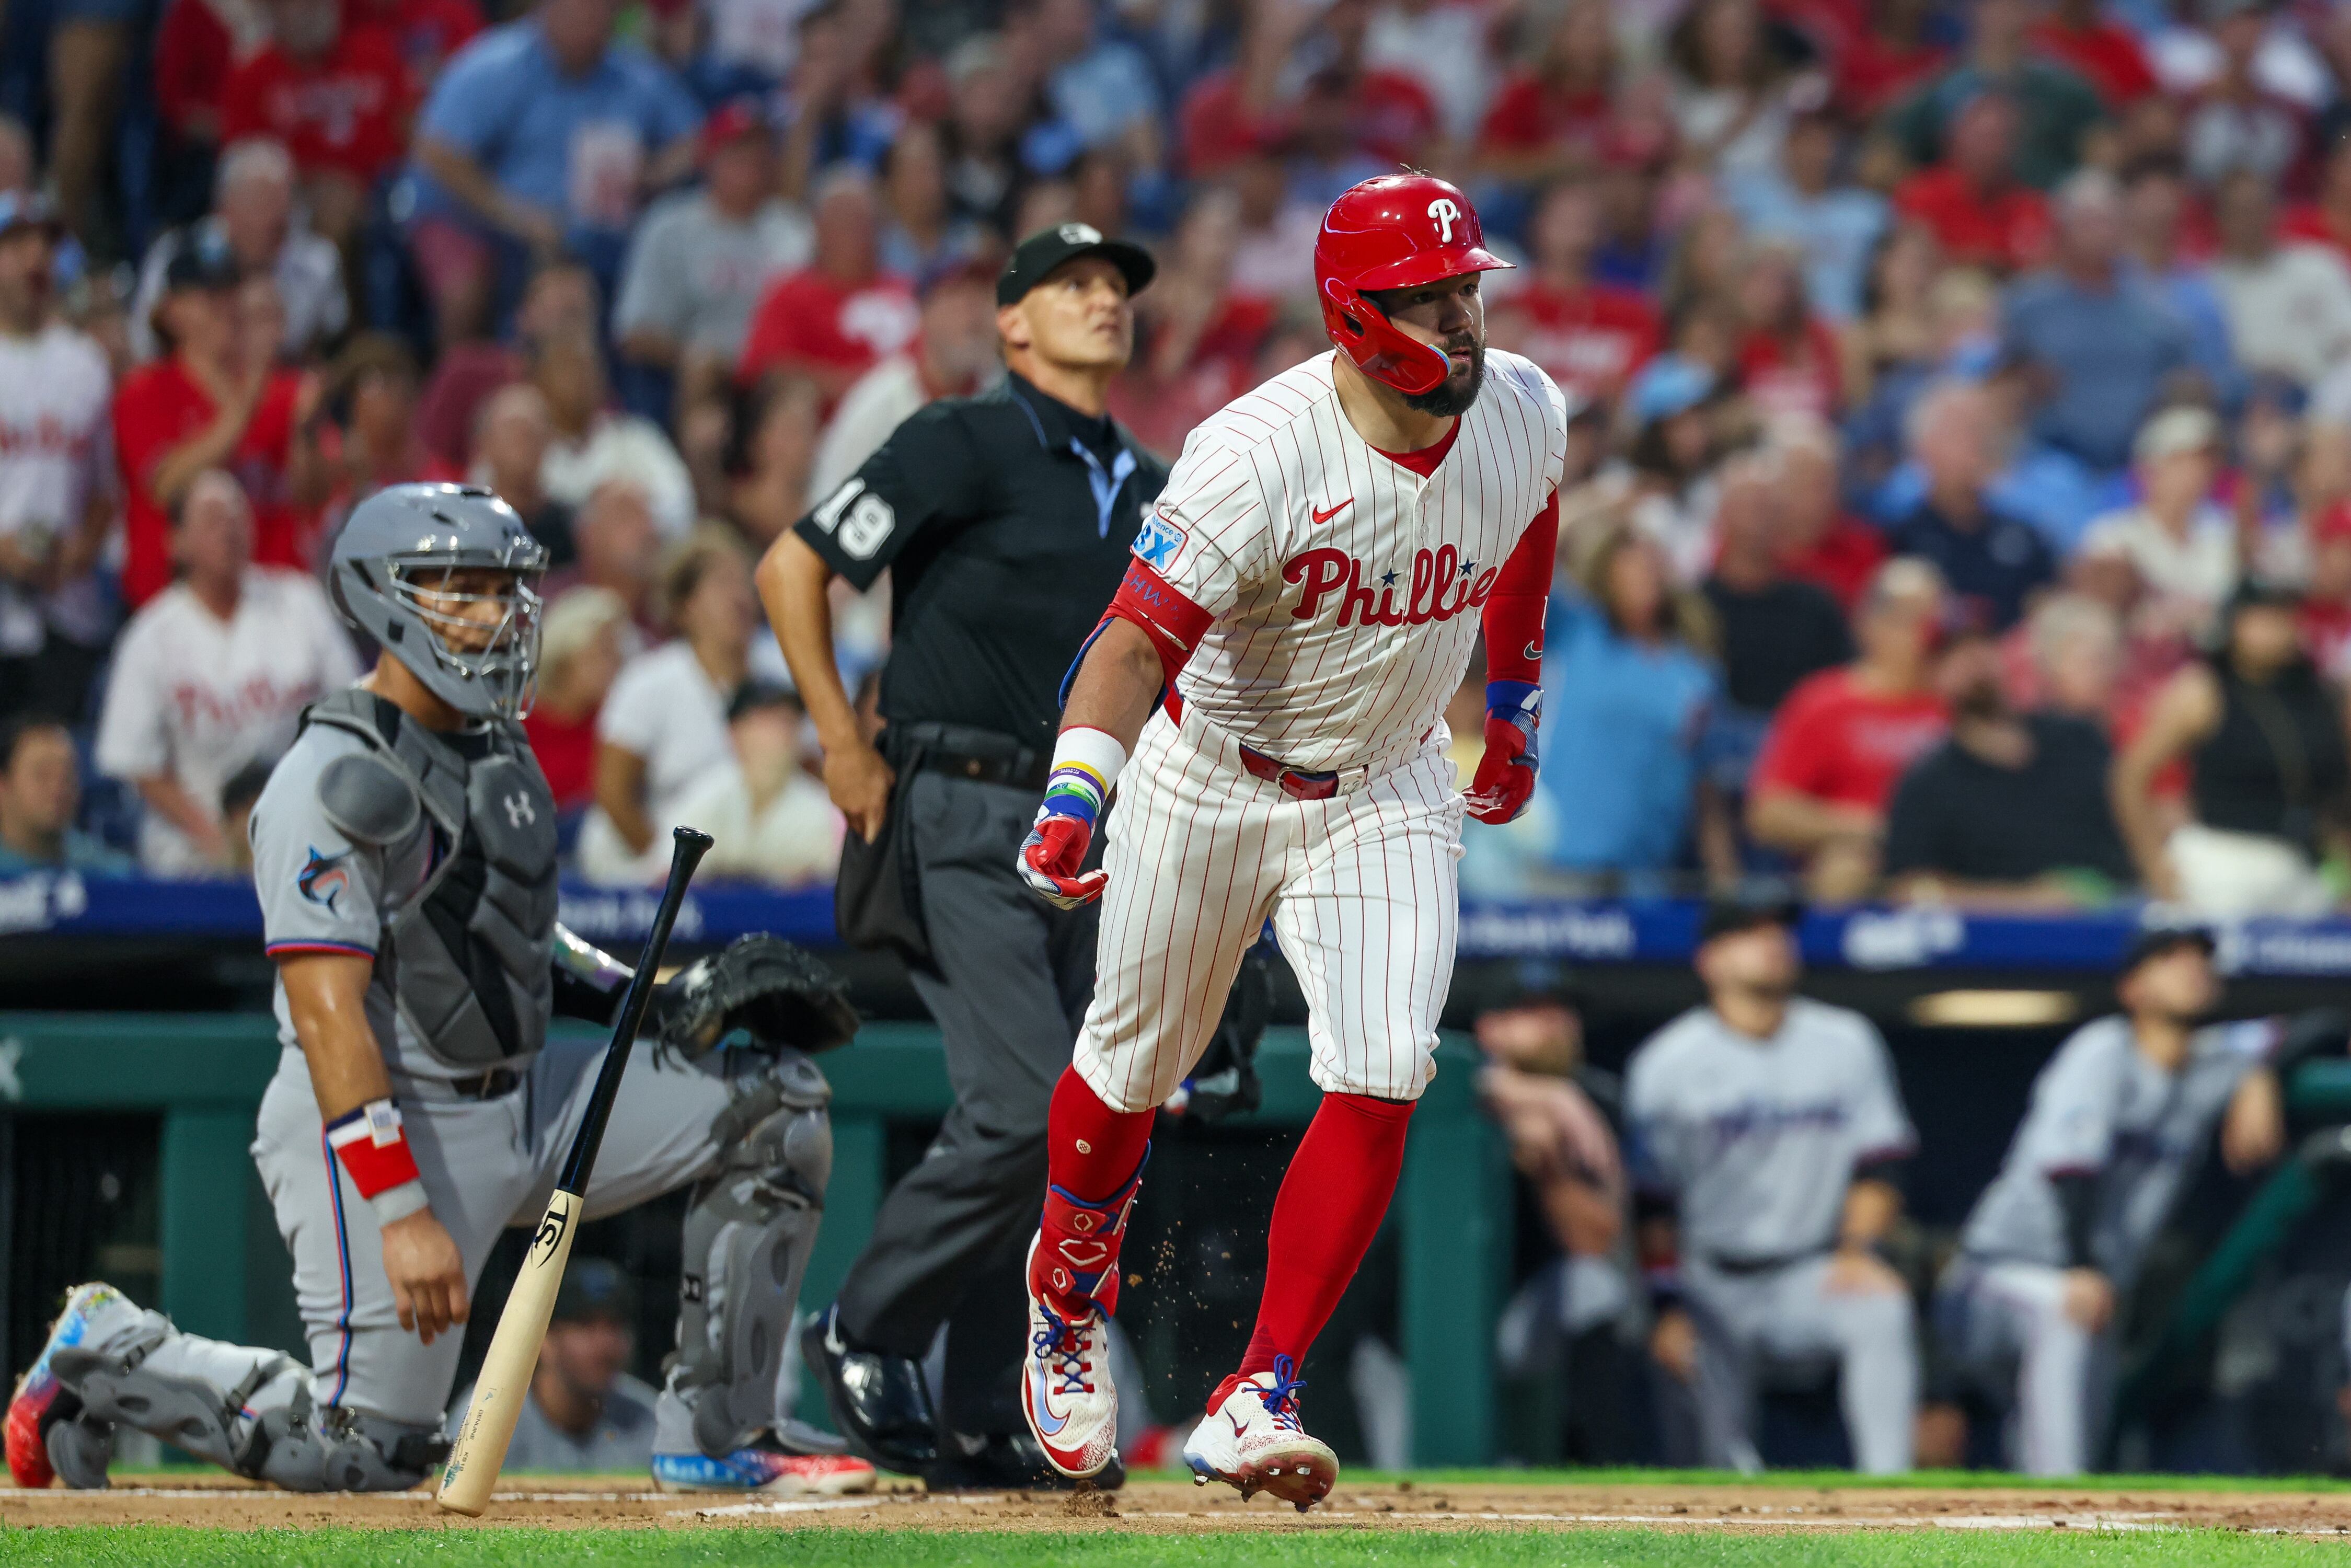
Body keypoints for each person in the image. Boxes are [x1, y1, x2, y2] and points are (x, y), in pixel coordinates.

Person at [6, 483, 871, 1497]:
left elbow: (506, 939)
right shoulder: (329, 776)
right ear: (380, 599)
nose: (492, 614)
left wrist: (655, 995)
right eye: (457, 589)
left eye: (502, 589)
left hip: (524, 1094)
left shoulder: (491, 748)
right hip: (384, 1121)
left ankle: (717, 1434)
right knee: (361, 1455)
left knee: (775, 1102)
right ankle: (104, 1350)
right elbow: (329, 1012)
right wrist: (402, 1207)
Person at [1008, 175, 1566, 1504]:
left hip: (1385, 777)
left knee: (1385, 1062)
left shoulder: (1525, 407)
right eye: (1428, 296)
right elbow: (1134, 634)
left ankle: (1258, 1389)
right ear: (1355, 313)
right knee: (1131, 1062)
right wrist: (1079, 786)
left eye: (1466, 287)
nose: (1462, 317)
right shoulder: (1254, 450)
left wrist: (1513, 702)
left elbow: (1528, 519)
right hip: (1212, 772)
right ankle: (1065, 1297)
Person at [758, 221, 1167, 1488]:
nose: (1103, 300)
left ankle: (990, 1401)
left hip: (1099, 826)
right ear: (1010, 323)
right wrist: (836, 735)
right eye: (1073, 285)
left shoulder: (1155, 479)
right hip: (964, 804)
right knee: (1026, 1102)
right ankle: (863, 1325)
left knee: (1079, 1124)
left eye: (1116, 286)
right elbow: (792, 566)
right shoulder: (960, 436)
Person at [1938, 927, 2285, 1475]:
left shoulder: (2217, 1060)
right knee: (2064, 1319)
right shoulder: (2102, 1049)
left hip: (2095, 1290)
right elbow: (2069, 1169)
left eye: (2201, 959)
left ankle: (2040, 1531)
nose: (2192, 968)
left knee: (2076, 1428)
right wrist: (2080, 1266)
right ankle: (2065, 1517)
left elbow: (2307, 1029)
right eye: (2169, 958)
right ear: (2132, 989)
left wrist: (2260, 1077)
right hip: (2000, 1275)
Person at [1627, 894, 1920, 1474]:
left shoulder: (1846, 1041)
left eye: (1779, 931)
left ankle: (1890, 1493)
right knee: (1714, 1469)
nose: (1771, 942)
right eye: (1748, 931)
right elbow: (1651, 1204)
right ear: (1709, 960)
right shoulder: (1667, 1062)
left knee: (1881, 1307)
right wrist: (1666, 1307)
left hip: (1808, 1273)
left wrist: (1860, 1250)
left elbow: (1881, 1164)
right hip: (1709, 1283)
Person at [93, 470, 361, 874]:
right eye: (212, 520)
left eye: (238, 518)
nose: (229, 530)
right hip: (193, 852)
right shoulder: (150, 635)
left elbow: (354, 715)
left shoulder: (301, 602)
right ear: (177, 541)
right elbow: (137, 763)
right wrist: (218, 839)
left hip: (307, 831)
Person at [406, 0, 702, 343]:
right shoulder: (494, 66)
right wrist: (513, 213)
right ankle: (463, 384)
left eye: (597, 12)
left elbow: (698, 140)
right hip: (486, 223)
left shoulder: (635, 75)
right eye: (575, 11)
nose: (587, 22)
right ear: (544, 11)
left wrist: (655, 172)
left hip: (603, 231)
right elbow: (437, 151)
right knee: (465, 292)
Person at [112, 236, 328, 609]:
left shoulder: (286, 392)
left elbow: (312, 496)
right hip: (173, 608)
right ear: (170, 312)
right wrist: (248, 405)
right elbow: (167, 486)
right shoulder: (146, 390)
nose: (226, 308)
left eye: (231, 293)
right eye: (208, 296)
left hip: (273, 605)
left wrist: (304, 430)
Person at [2112, 580, 2351, 915]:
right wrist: (2153, 864)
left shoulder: (2322, 696)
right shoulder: (2203, 690)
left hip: (2303, 863)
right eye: (2259, 620)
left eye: (2281, 619)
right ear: (2233, 625)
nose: (2272, 631)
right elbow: (2130, 777)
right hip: (2222, 858)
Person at [1881, 629, 2134, 907]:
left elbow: (2129, 818)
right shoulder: (1927, 782)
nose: (1975, 663)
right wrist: (2027, 901)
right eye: (1956, 658)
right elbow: (1910, 888)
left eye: (1983, 648)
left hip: (2113, 914)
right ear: (1934, 678)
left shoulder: (2078, 739)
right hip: (1995, 940)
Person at [1541, 523, 1734, 886]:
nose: (1643, 575)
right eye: (1630, 566)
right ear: (1605, 575)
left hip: (1647, 874)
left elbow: (1705, 787)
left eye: (1650, 564)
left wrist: (1725, 881)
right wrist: (1600, 505)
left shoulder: (1695, 674)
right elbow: (1531, 558)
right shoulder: (1577, 632)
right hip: (1562, 861)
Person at [1748, 558, 1952, 900]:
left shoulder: (1954, 706)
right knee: (1844, 871)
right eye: (1910, 618)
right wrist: (1864, 827)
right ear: (1870, 623)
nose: (1925, 634)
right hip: (1853, 857)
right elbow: (1768, 814)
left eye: (1933, 621)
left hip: (1941, 863)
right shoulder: (1823, 703)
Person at [613, 98, 814, 414]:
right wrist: (696, 357)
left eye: (760, 151)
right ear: (711, 159)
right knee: (701, 375)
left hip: (771, 382)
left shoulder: (793, 231)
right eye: (738, 151)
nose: (751, 162)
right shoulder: (670, 225)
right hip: (693, 376)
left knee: (801, 389)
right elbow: (635, 333)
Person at [580, 527, 756, 885]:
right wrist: (664, 865)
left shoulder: (778, 677)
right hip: (668, 863)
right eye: (723, 584)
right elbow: (613, 792)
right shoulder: (647, 681)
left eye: (745, 584)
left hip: (758, 866)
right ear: (686, 604)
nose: (740, 597)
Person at [0, 194, 115, 727]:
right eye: (16, 243)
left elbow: (103, 491)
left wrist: (80, 550)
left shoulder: (84, 362)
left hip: (66, 610)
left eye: (45, 243)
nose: (33, 259)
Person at [2000, 170, 2193, 477]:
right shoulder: (2026, 307)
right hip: (2051, 460)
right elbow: (1997, 382)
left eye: (2110, 222)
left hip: (2140, 463)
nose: (2101, 233)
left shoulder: (2158, 311)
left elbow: (2184, 379)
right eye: (2089, 222)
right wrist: (2020, 384)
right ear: (2062, 230)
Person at [131, 139, 349, 365]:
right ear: (224, 209)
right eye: (258, 204)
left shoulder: (318, 263)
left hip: (282, 381)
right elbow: (143, 341)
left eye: (280, 205)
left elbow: (332, 342)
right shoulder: (176, 253)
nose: (271, 219)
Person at [444, 1260, 661, 1473]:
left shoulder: (651, 1420)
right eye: (584, 1326)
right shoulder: (487, 1415)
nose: (604, 1345)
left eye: (615, 1326)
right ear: (544, 1340)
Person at [807, 261, 1001, 499]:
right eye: (958, 298)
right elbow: (826, 506)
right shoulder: (877, 403)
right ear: (924, 313)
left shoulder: (1013, 396)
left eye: (983, 296)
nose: (973, 316)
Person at [736, 170, 918, 406]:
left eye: (865, 219)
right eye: (844, 218)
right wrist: (857, 389)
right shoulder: (790, 292)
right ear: (818, 227)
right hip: (820, 427)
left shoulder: (905, 290)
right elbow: (766, 369)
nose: (857, 230)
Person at [1887, 379, 2056, 632]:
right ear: (1924, 450)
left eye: (1984, 432)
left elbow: (2046, 612)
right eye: (1963, 433)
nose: (1979, 444)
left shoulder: (2025, 537)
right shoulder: (1898, 541)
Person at [2078, 405, 2238, 632]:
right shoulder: (2112, 533)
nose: (2198, 471)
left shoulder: (2227, 528)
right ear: (2148, 470)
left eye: (2206, 461)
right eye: (2182, 460)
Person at [667, 682, 842, 887]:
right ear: (735, 732)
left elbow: (824, 882)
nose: (779, 733)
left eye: (788, 722)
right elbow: (665, 870)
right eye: (766, 721)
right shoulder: (703, 794)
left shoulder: (820, 808)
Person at [2208, 169, 2351, 390]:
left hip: (2326, 394)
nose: (2251, 220)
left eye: (2258, 207)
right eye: (2240, 212)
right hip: (2249, 401)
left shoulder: (2320, 265)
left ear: (2276, 210)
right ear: (2221, 219)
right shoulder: (2209, 287)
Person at [522, 584, 630, 814]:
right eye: (604, 652)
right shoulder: (520, 724)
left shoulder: (615, 724)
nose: (617, 663)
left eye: (618, 651)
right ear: (565, 659)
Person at [0, 717, 133, 876]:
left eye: (67, 776)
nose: (57, 789)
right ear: (4, 784)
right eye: (42, 775)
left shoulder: (107, 874)